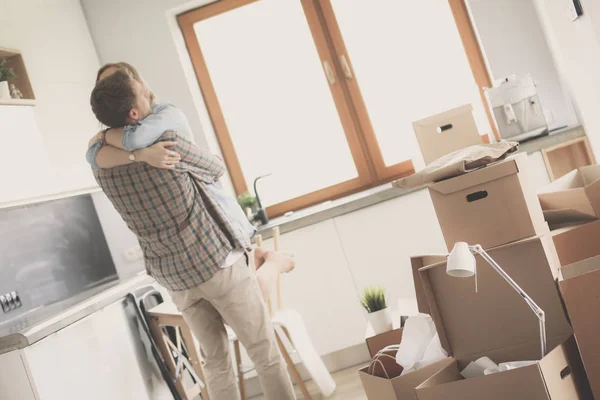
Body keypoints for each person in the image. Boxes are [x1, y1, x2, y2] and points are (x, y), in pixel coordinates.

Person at [86, 62, 297, 400]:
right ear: (134, 112)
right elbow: (215, 168)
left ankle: (273, 262)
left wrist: (128, 148)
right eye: (140, 89)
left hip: (176, 278)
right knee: (264, 353)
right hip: (216, 262)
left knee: (214, 362)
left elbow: (93, 152)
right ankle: (274, 261)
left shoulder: (102, 166)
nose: (146, 88)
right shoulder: (168, 143)